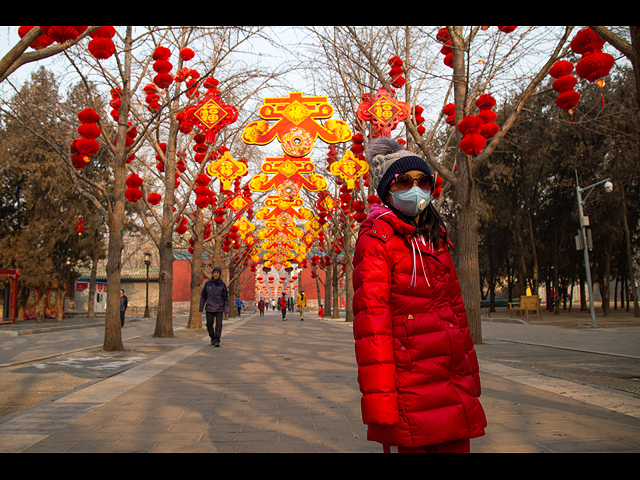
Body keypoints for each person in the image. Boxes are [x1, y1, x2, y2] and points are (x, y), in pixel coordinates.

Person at [353, 138, 486, 454]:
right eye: (404, 181)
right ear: (388, 190)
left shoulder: (436, 237)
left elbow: (457, 314)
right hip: (410, 383)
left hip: (451, 380)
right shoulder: (376, 241)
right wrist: (381, 402)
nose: (416, 188)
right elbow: (373, 328)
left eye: (423, 181)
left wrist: (470, 380)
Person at [199, 267, 229, 347]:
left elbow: (226, 298)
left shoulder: (222, 285)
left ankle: (217, 340)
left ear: (219, 275)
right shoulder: (207, 284)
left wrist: (226, 310)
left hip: (219, 308)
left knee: (219, 325)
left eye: (217, 273)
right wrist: (201, 307)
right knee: (209, 325)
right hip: (209, 308)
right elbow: (203, 296)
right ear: (212, 274)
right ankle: (213, 337)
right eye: (214, 273)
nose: (216, 274)